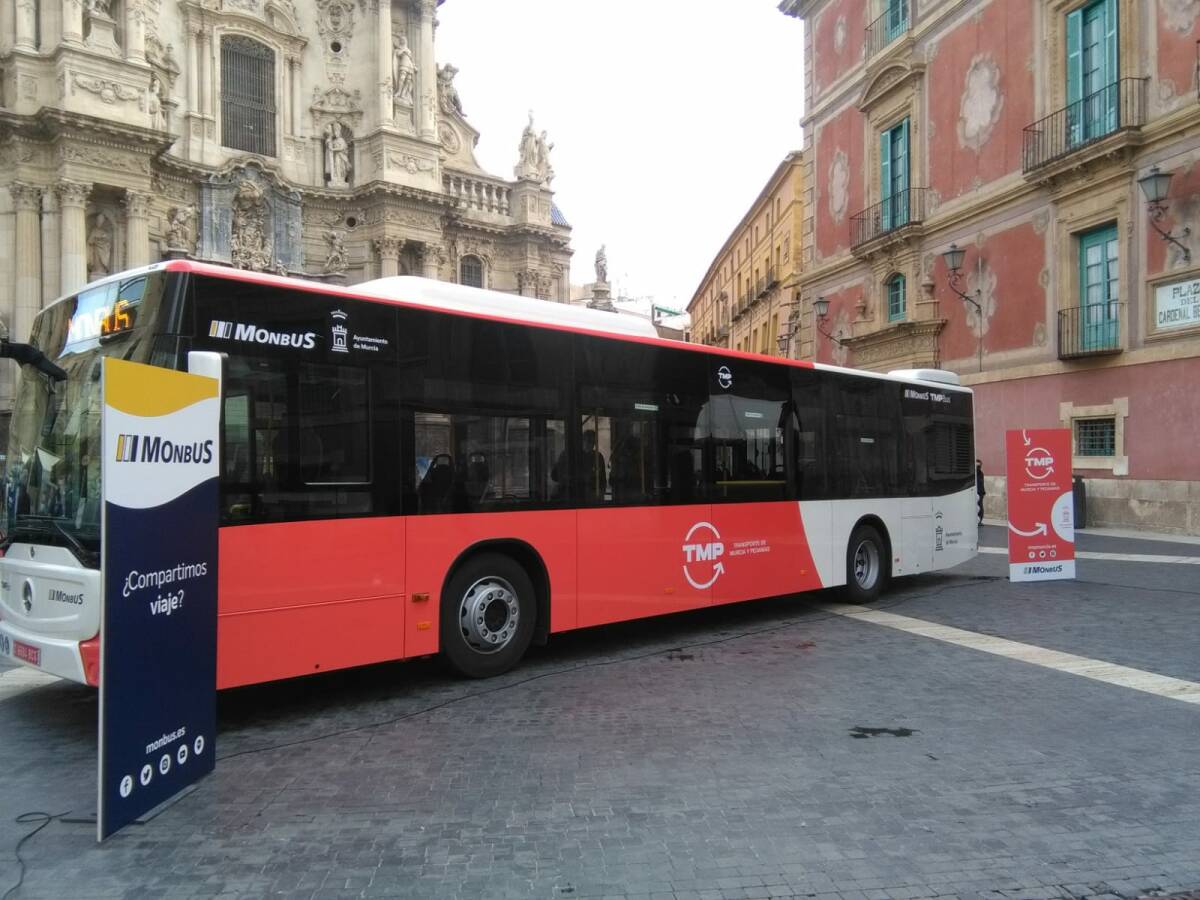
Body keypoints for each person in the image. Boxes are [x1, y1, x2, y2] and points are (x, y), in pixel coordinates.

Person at [975, 459, 985, 525]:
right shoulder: (978, 473)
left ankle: (980, 520)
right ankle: (978, 520)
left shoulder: (980, 473)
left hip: (980, 492)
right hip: (977, 491)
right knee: (978, 506)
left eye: (978, 465)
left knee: (980, 506)